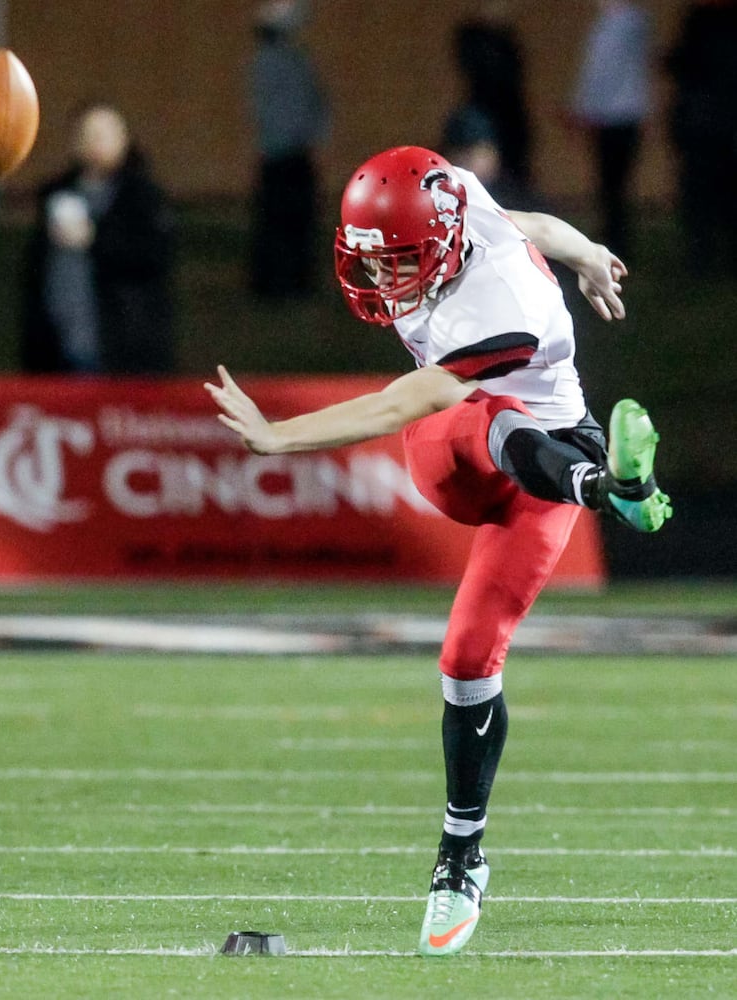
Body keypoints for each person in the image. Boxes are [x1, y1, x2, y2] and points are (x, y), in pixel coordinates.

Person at [207, 145, 672, 956]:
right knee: (477, 417)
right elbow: (522, 222)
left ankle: (461, 858)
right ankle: (614, 491)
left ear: (446, 242)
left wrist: (278, 438)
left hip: (537, 458)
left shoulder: (502, 305)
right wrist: (591, 252)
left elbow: (406, 398)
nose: (386, 281)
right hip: (467, 455)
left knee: (466, 658)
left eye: (401, 262)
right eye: (374, 262)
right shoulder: (459, 204)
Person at [20, 101, 176, 375]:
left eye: (103, 135)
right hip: (59, 347)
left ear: (124, 140)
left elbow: (152, 256)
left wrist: (94, 240)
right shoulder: (56, 194)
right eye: (87, 134)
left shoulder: (142, 197)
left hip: (121, 349)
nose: (94, 143)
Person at [246, 0, 328, 300]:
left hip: (284, 151)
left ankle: (286, 281)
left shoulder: (280, 60)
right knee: (284, 220)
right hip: (285, 152)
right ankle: (282, 282)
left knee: (286, 220)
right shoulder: (279, 61)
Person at [569, 0, 652, 260]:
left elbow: (600, 72)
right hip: (629, 113)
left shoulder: (614, 26)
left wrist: (582, 108)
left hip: (611, 116)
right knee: (618, 184)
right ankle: (618, 241)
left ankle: (614, 244)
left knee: (611, 185)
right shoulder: (636, 22)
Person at [665, 0, 737, 278]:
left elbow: (682, 63)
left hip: (703, 128)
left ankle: (702, 258)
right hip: (711, 128)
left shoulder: (702, 22)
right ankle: (709, 258)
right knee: (720, 197)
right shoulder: (707, 21)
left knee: (701, 199)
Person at [453, 0, 532, 190]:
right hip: (482, 107)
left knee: (515, 164)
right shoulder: (471, 36)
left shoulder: (507, 37)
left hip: (511, 110)